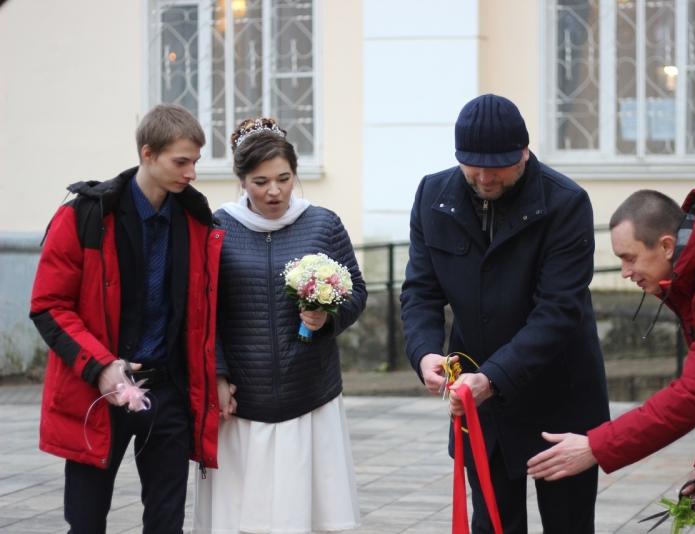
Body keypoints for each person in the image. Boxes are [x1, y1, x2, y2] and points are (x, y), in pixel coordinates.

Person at [527, 189, 695, 533]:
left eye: (630, 257)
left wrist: (595, 446)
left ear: (668, 247)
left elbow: (694, 395)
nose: (626, 272)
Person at [400, 93, 610, 533]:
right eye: (471, 164)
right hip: (483, 410)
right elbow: (420, 291)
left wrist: (492, 379)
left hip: (561, 401)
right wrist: (424, 355)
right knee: (495, 525)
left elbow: (557, 312)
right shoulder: (432, 195)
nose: (483, 176)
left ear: (524, 152)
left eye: (496, 165)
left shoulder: (565, 203)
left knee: (568, 525)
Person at [29, 104, 223, 533]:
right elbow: (49, 305)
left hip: (166, 391)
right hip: (95, 394)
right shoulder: (84, 215)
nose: (191, 173)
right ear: (148, 153)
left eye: (195, 162)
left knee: (167, 522)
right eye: (181, 161)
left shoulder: (196, 221)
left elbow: (204, 312)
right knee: (85, 522)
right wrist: (101, 367)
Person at [193, 117, 367, 534]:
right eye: (260, 181)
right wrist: (216, 375)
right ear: (241, 180)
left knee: (308, 513)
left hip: (309, 393)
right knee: (242, 516)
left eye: (284, 178)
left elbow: (357, 291)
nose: (274, 191)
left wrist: (327, 318)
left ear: (295, 174)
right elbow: (203, 310)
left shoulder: (323, 224)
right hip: (242, 401)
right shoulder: (218, 228)